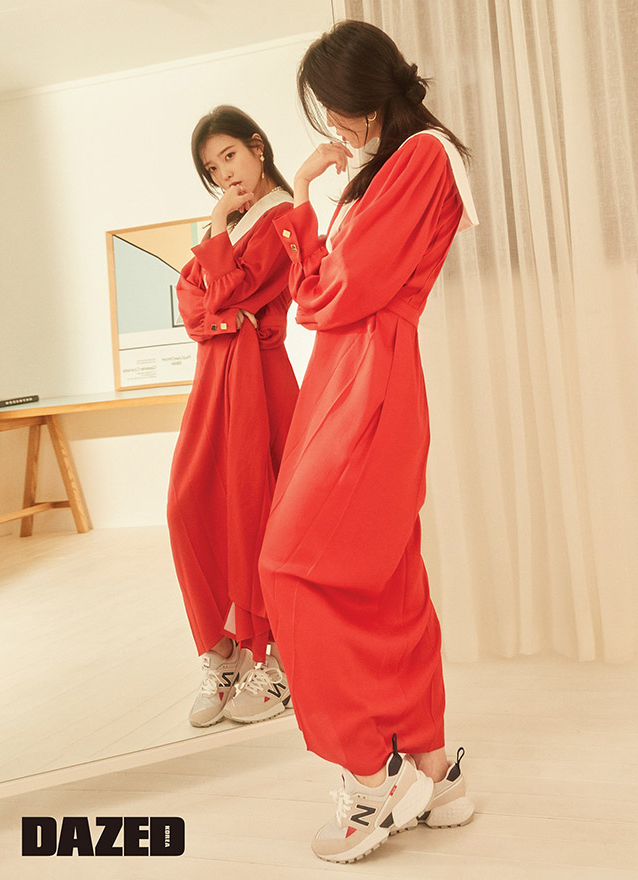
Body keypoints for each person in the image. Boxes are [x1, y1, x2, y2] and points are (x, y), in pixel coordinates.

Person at [258, 22, 479, 863]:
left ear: (363, 93)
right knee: (386, 577)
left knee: (291, 567)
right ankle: (432, 766)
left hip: (368, 381)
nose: (331, 124)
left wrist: (300, 208)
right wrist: (314, 203)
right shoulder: (388, 165)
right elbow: (325, 292)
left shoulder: (420, 157)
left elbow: (329, 296)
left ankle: (372, 774)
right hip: (352, 376)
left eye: (333, 106)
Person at [167, 106, 298, 728]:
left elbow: (227, 291)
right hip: (214, 376)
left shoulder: (286, 216)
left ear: (256, 147)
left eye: (230, 157)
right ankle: (221, 652)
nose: (225, 175)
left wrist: (218, 232)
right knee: (187, 504)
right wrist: (225, 308)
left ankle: (278, 660)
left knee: (258, 513)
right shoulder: (237, 224)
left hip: (257, 378)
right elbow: (192, 303)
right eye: (213, 169)